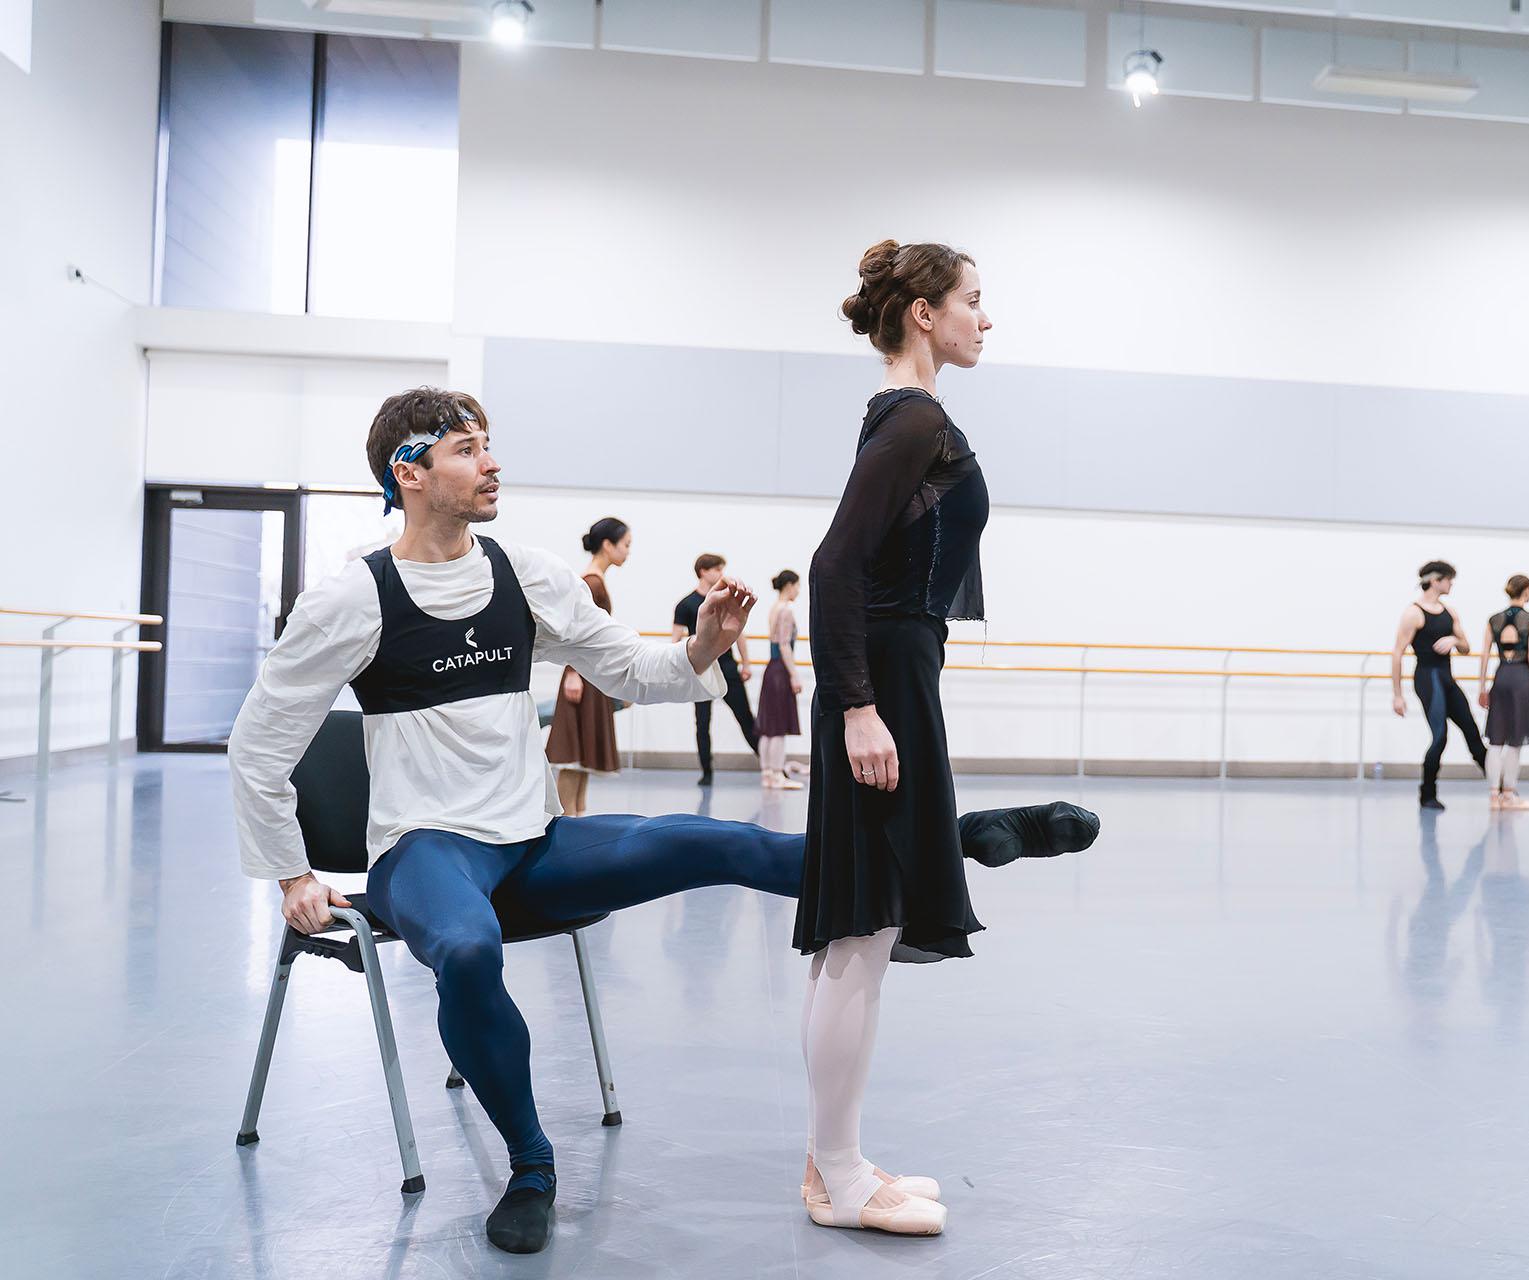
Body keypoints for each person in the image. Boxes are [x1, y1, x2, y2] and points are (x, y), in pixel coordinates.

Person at [228, 386, 1088, 1256]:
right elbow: (260, 743)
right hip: (427, 852)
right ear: (408, 474)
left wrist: (703, 646)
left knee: (716, 841)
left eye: (488, 443)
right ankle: (532, 1166)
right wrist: (293, 872)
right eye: (466, 450)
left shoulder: (524, 575)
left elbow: (630, 670)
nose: (491, 463)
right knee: (467, 948)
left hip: (533, 842)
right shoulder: (354, 599)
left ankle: (956, 837)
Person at [792, 240, 1101, 1238]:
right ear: (924, 313)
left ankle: (832, 1159)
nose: (985, 317)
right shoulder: (915, 418)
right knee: (861, 929)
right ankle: (839, 1174)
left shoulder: (905, 415)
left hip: (895, 674)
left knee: (861, 930)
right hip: (882, 680)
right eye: (973, 299)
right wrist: (857, 706)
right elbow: (834, 565)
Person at [545, 516, 630, 815]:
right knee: (573, 757)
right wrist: (573, 674)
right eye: (625, 545)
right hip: (581, 676)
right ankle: (566, 821)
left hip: (590, 676)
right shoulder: (591, 582)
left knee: (582, 759)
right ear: (608, 545)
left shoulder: (595, 580)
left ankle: (578, 816)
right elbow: (575, 632)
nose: (628, 551)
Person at [1391, 560, 1488, 811]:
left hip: (1447, 678)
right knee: (1440, 736)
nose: (1451, 584)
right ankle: (1427, 794)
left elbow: (1466, 648)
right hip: (1427, 678)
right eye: (1448, 579)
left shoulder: (1450, 612)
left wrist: (1454, 640)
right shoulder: (1413, 613)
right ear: (1435, 581)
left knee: (1471, 730)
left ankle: (1500, 787)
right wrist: (1398, 695)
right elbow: (1397, 653)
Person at [674, 554, 757, 784]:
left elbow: (738, 633)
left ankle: (771, 767)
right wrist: (679, 670)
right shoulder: (686, 604)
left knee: (746, 718)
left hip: (727, 667)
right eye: (717, 569)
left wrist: (746, 662)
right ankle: (706, 772)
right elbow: (675, 640)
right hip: (701, 670)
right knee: (702, 723)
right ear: (703, 571)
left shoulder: (726, 600)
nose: (721, 574)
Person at [1476, 574, 1529, 811]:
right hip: (1522, 678)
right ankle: (1508, 795)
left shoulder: (1493, 620)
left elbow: (1484, 655)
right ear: (1527, 591)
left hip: (1501, 676)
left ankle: (1493, 797)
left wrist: (1482, 687)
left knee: (1495, 740)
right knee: (1515, 741)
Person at [758, 569, 806, 789]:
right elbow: (784, 645)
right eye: (797, 586)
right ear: (789, 585)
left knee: (769, 726)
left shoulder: (774, 607)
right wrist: (794, 675)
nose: (798, 591)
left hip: (772, 669)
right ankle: (777, 774)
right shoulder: (786, 610)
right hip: (780, 670)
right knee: (777, 726)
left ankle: (767, 773)